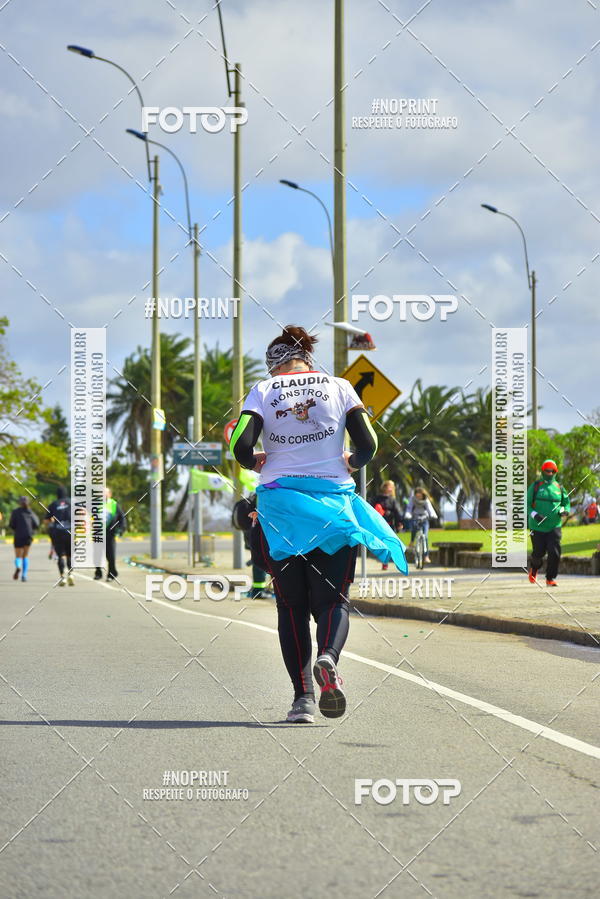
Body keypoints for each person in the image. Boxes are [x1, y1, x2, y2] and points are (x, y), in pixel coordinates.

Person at [230, 325, 407, 724]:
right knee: (333, 601)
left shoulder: (263, 390)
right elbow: (369, 445)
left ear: (274, 364)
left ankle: (303, 701)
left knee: (291, 607)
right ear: (306, 359)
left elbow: (240, 444)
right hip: (332, 510)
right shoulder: (340, 387)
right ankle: (328, 656)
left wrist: (252, 460)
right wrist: (352, 462)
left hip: (281, 513)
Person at [527, 459, 570, 587]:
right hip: (537, 526)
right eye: (547, 470)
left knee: (555, 552)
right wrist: (535, 515)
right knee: (538, 553)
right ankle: (534, 568)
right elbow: (527, 504)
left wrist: (564, 511)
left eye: (552, 471)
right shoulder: (535, 486)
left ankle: (550, 578)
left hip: (554, 527)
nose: (550, 473)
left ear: (555, 472)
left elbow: (566, 504)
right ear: (543, 471)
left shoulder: (560, 488)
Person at [231, 492, 273, 599]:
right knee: (262, 559)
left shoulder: (256, 497)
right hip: (258, 530)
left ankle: (259, 589)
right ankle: (258, 591)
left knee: (260, 558)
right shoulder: (264, 496)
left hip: (251, 531)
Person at [44, 485, 74, 586]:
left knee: (61, 555)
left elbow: (46, 520)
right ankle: (71, 574)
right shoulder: (72, 502)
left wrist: (51, 521)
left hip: (58, 532)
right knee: (70, 554)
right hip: (71, 532)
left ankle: (62, 577)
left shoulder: (53, 504)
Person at [94, 487, 126, 581]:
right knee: (97, 555)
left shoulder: (114, 504)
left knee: (110, 556)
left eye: (105, 493)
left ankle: (111, 574)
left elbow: (122, 518)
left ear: (109, 494)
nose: (103, 495)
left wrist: (121, 529)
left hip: (110, 534)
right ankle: (98, 573)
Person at [371, 480, 404, 570]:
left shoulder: (392, 500)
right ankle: (383, 560)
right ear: (384, 487)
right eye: (389, 486)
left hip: (389, 525)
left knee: (389, 544)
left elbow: (397, 512)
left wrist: (399, 523)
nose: (390, 489)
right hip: (378, 525)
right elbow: (370, 510)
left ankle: (385, 562)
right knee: (382, 544)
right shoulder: (377, 498)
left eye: (391, 487)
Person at [9, 496, 39, 582]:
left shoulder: (15, 512)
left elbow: (11, 524)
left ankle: (18, 567)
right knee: (25, 556)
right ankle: (24, 575)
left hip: (18, 535)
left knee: (18, 556)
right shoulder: (31, 512)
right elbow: (36, 524)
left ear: (19, 503)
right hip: (28, 536)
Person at [405, 486, 436, 563]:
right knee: (414, 528)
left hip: (424, 518)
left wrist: (433, 515)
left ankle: (426, 556)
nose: (418, 497)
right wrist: (408, 515)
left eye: (420, 496)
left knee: (425, 536)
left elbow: (430, 509)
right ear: (415, 495)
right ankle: (412, 541)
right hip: (415, 517)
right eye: (417, 496)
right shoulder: (412, 500)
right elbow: (409, 508)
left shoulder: (426, 500)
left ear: (423, 495)